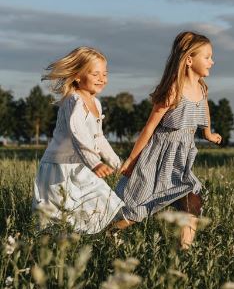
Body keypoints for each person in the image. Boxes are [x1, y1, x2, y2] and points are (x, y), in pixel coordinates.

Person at [113, 31, 222, 249]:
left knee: (192, 203)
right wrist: (132, 160)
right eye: (207, 56)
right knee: (138, 208)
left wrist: (207, 133)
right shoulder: (173, 90)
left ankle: (184, 252)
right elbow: (149, 128)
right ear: (189, 60)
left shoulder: (201, 87)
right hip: (158, 158)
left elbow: (205, 108)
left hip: (180, 161)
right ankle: (110, 232)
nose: (212, 61)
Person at [33, 46, 124, 234]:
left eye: (105, 74)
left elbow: (97, 137)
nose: (102, 79)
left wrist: (117, 163)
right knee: (57, 219)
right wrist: (95, 163)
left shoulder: (96, 103)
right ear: (77, 76)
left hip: (82, 165)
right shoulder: (73, 100)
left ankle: (92, 241)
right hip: (60, 168)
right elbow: (78, 133)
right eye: (95, 74)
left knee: (105, 201)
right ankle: (48, 252)